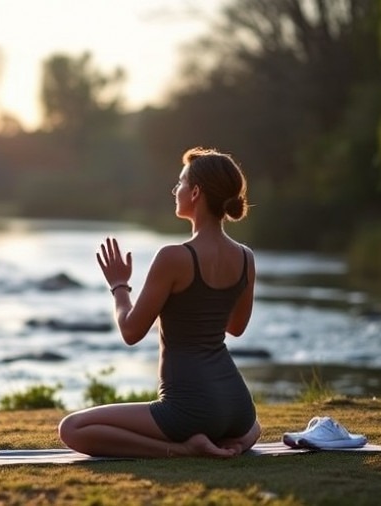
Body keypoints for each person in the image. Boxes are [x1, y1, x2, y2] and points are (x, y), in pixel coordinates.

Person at [58, 146, 260, 458]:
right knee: (250, 425)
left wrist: (119, 285)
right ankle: (239, 440)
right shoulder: (246, 257)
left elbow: (131, 331)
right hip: (238, 407)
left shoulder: (174, 257)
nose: (174, 189)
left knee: (72, 429)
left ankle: (181, 449)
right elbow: (236, 327)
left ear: (195, 193)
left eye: (180, 183)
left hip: (188, 410)